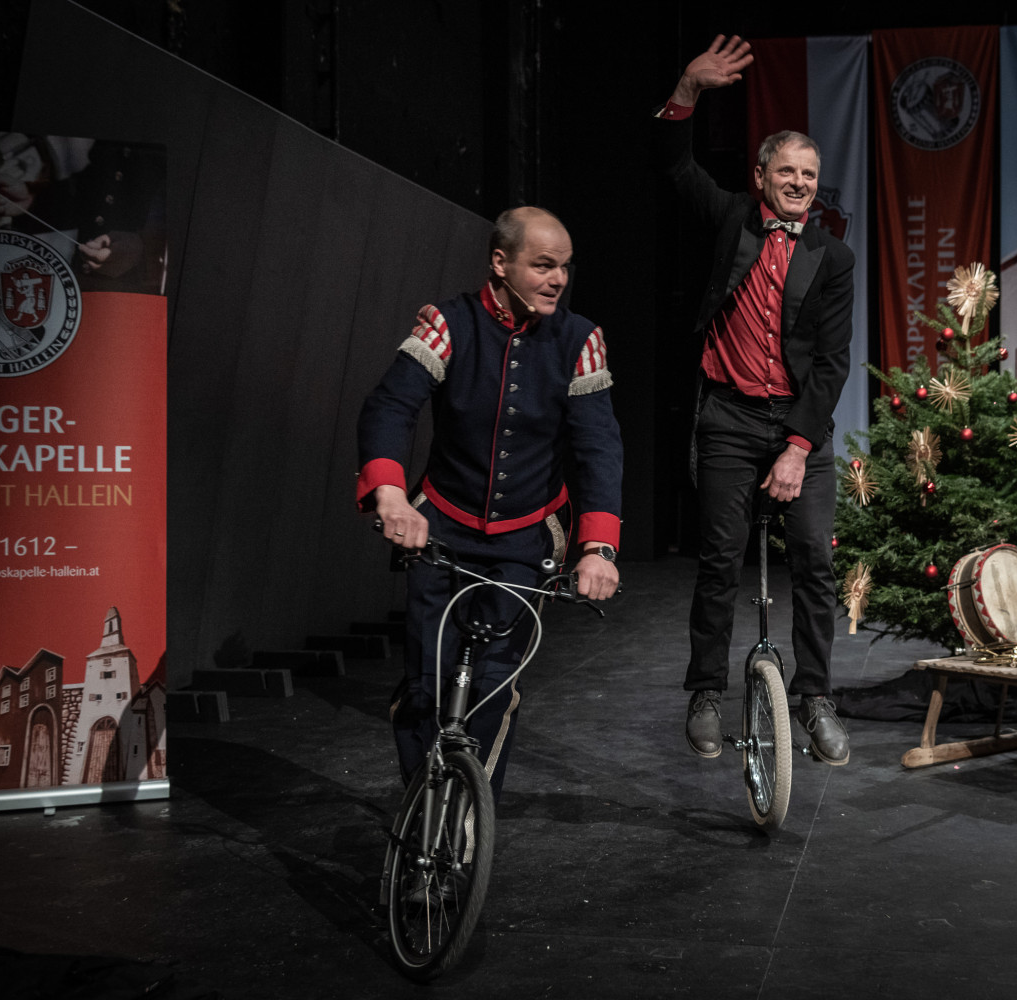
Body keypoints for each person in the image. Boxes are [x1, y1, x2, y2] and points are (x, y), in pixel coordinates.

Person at [357, 206, 622, 799]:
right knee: (426, 686)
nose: (558, 279)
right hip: (443, 527)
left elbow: (598, 447)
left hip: (526, 538)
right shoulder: (447, 323)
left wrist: (598, 547)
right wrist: (391, 495)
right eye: (543, 265)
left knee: (495, 686)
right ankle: (423, 807)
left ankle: (473, 815)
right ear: (501, 263)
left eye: (564, 268)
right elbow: (391, 406)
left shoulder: (581, 340)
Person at [656, 36, 853, 765]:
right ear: (762, 175)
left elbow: (831, 364)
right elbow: (674, 167)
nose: (799, 182)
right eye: (787, 171)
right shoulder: (733, 219)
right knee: (718, 560)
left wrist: (798, 448)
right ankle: (707, 691)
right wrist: (687, 88)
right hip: (731, 418)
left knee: (815, 562)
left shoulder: (833, 257)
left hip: (798, 424)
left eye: (809, 174)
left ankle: (816, 698)